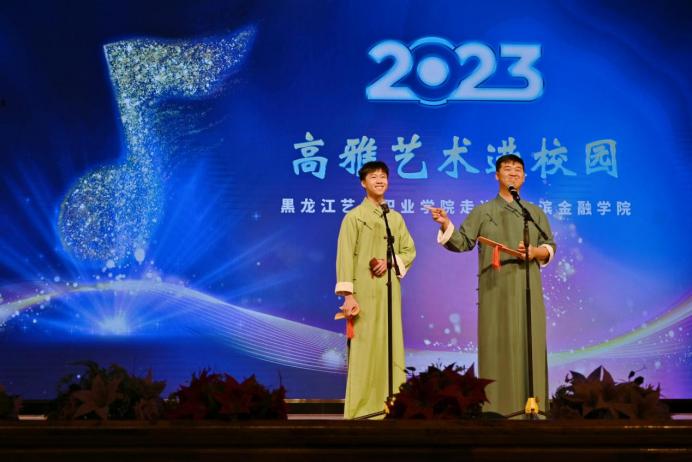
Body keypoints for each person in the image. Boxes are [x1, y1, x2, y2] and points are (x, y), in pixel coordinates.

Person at [429, 154, 556, 416]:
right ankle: (497, 410)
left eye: (518, 170)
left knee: (530, 344)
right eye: (507, 169)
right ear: (497, 176)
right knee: (497, 344)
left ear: (524, 177)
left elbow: (549, 246)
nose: (513, 173)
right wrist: (445, 224)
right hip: (495, 288)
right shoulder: (483, 211)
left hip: (528, 288)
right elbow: (462, 242)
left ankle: (533, 409)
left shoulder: (534, 213)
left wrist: (535, 252)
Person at [335, 161, 416, 419]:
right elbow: (345, 256)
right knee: (365, 350)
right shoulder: (354, 217)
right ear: (363, 183)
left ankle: (391, 406)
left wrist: (390, 261)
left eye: (383, 176)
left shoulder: (395, 218)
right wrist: (348, 295)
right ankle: (361, 410)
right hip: (363, 294)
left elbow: (409, 251)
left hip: (388, 292)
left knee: (390, 346)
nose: (380, 180)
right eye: (373, 177)